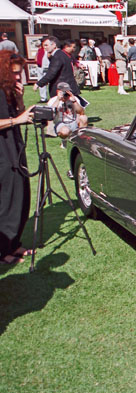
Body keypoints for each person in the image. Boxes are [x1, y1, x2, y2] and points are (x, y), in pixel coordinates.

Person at [0, 51, 34, 264]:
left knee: (21, 192)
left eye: (19, 73)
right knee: (7, 197)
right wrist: (16, 120)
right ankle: (3, 251)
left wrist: (20, 101)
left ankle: (14, 243)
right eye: (14, 73)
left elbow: (19, 115)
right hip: (2, 150)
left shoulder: (9, 91)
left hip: (15, 146)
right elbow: (13, 120)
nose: (18, 77)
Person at [47, 82, 87, 147]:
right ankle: (65, 140)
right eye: (64, 92)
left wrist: (74, 102)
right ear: (58, 91)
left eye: (67, 91)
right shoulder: (53, 100)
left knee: (84, 118)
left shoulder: (73, 98)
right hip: (60, 124)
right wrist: (58, 100)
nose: (66, 94)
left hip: (73, 122)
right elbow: (50, 114)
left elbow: (81, 112)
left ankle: (80, 141)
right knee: (65, 131)